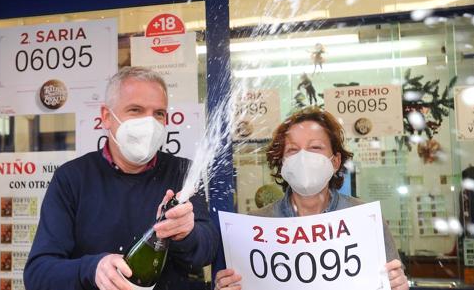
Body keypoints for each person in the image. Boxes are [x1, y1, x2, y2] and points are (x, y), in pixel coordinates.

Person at [24, 67, 218, 290]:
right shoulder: (72, 178)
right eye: (135, 110)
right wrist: (92, 269)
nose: (149, 123)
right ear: (106, 117)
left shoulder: (182, 172)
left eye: (159, 114)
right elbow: (38, 273)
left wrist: (186, 234)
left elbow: (207, 251)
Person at [215, 107, 409, 290]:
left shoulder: (365, 221)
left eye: (315, 147)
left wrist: (397, 284)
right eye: (292, 149)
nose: (303, 157)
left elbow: (388, 279)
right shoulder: (253, 227)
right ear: (282, 163)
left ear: (335, 161)